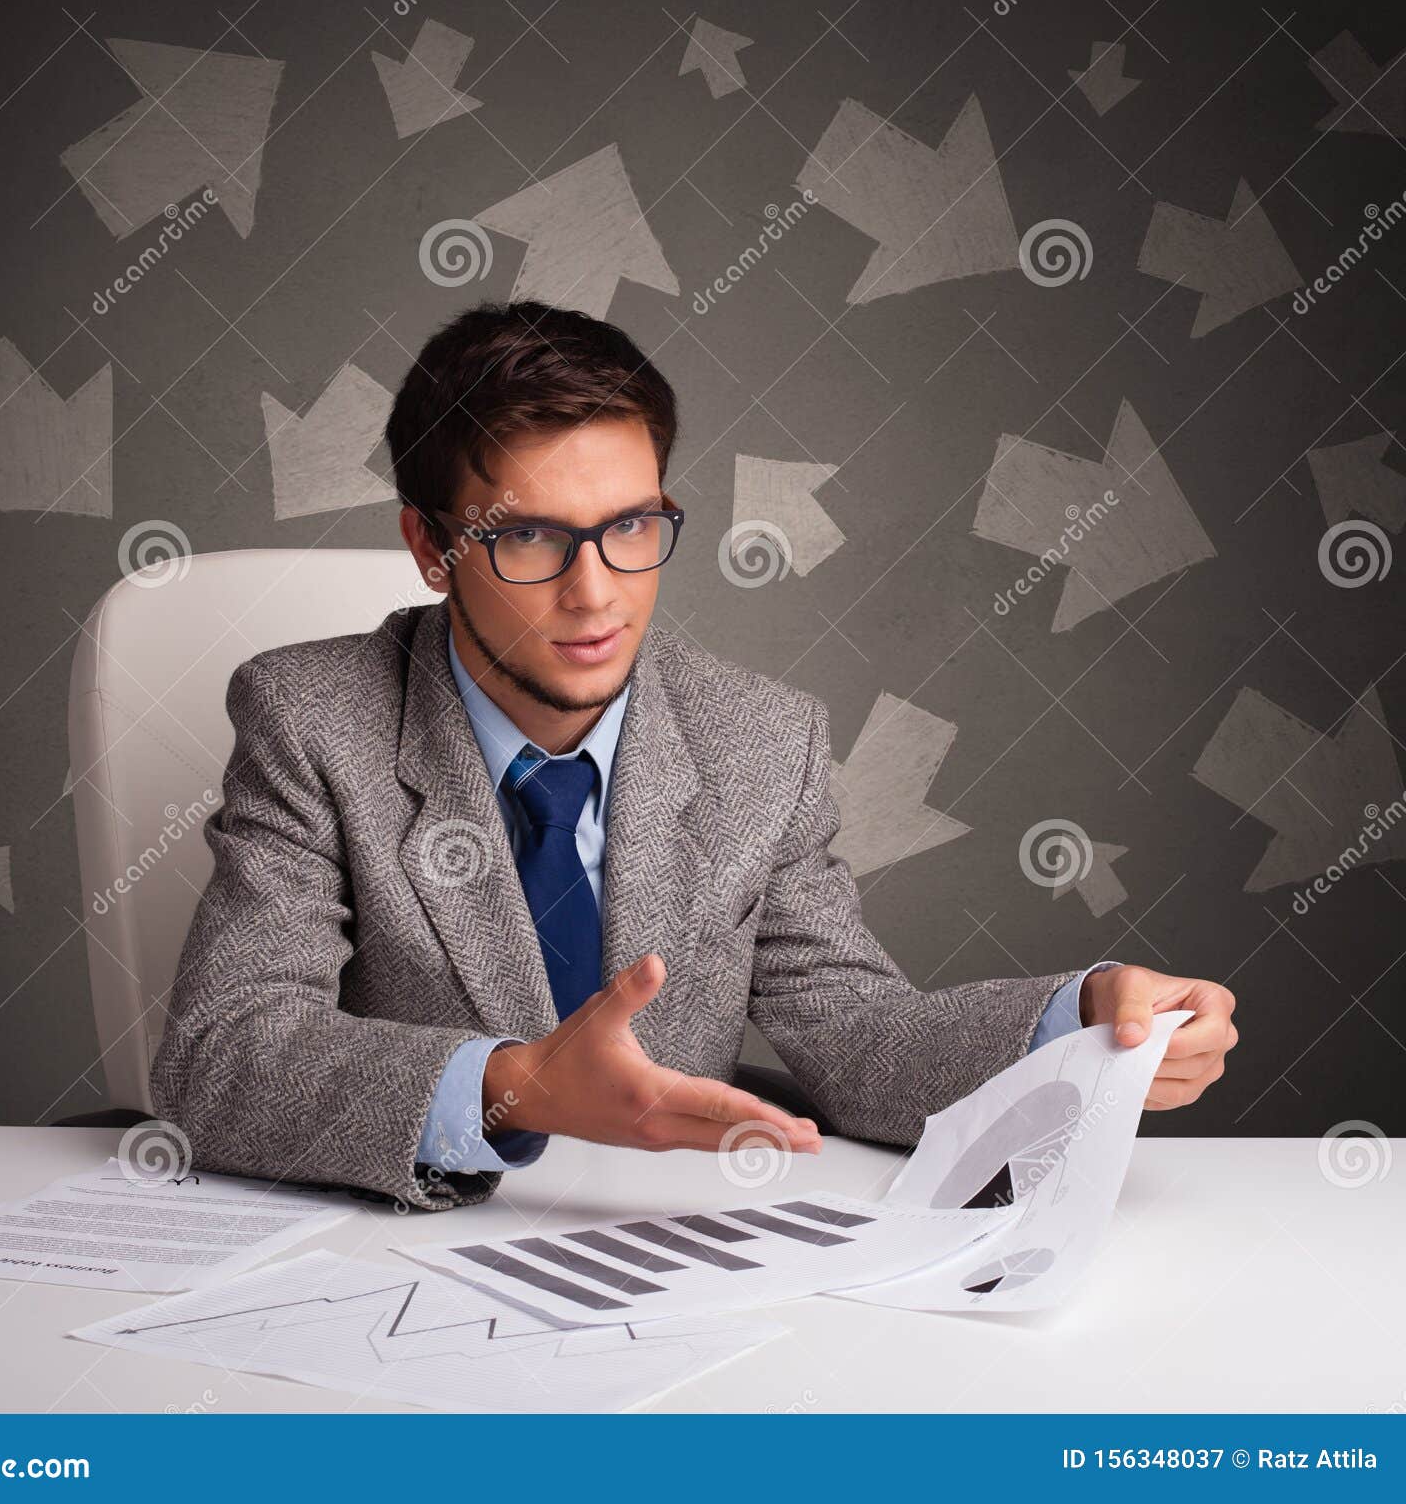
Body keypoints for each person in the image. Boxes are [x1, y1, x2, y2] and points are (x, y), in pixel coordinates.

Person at [150, 301, 1238, 1211]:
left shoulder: (763, 740)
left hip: (672, 1241)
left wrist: (1081, 1025)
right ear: (432, 546)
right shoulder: (310, 717)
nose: (595, 594)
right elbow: (223, 1050)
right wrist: (513, 1087)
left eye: (630, 527)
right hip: (403, 1244)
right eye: (528, 536)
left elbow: (859, 1034)